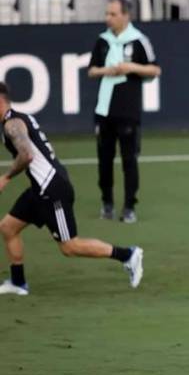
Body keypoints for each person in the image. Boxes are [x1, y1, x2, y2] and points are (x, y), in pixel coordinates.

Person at [0, 81, 143, 295]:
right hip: (41, 187)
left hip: (51, 189)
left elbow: (26, 155)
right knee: (8, 227)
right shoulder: (18, 119)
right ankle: (18, 283)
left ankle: (128, 255)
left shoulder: (12, 123)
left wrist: (6, 177)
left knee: (69, 247)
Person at [86, 0, 161, 224]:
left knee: (129, 160)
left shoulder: (138, 41)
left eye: (113, 14)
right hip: (104, 110)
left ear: (125, 15)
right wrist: (106, 71)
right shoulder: (102, 41)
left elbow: (155, 69)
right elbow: (91, 71)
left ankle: (129, 206)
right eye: (107, 14)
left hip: (128, 110)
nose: (108, 18)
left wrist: (130, 67)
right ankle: (106, 203)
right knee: (104, 160)